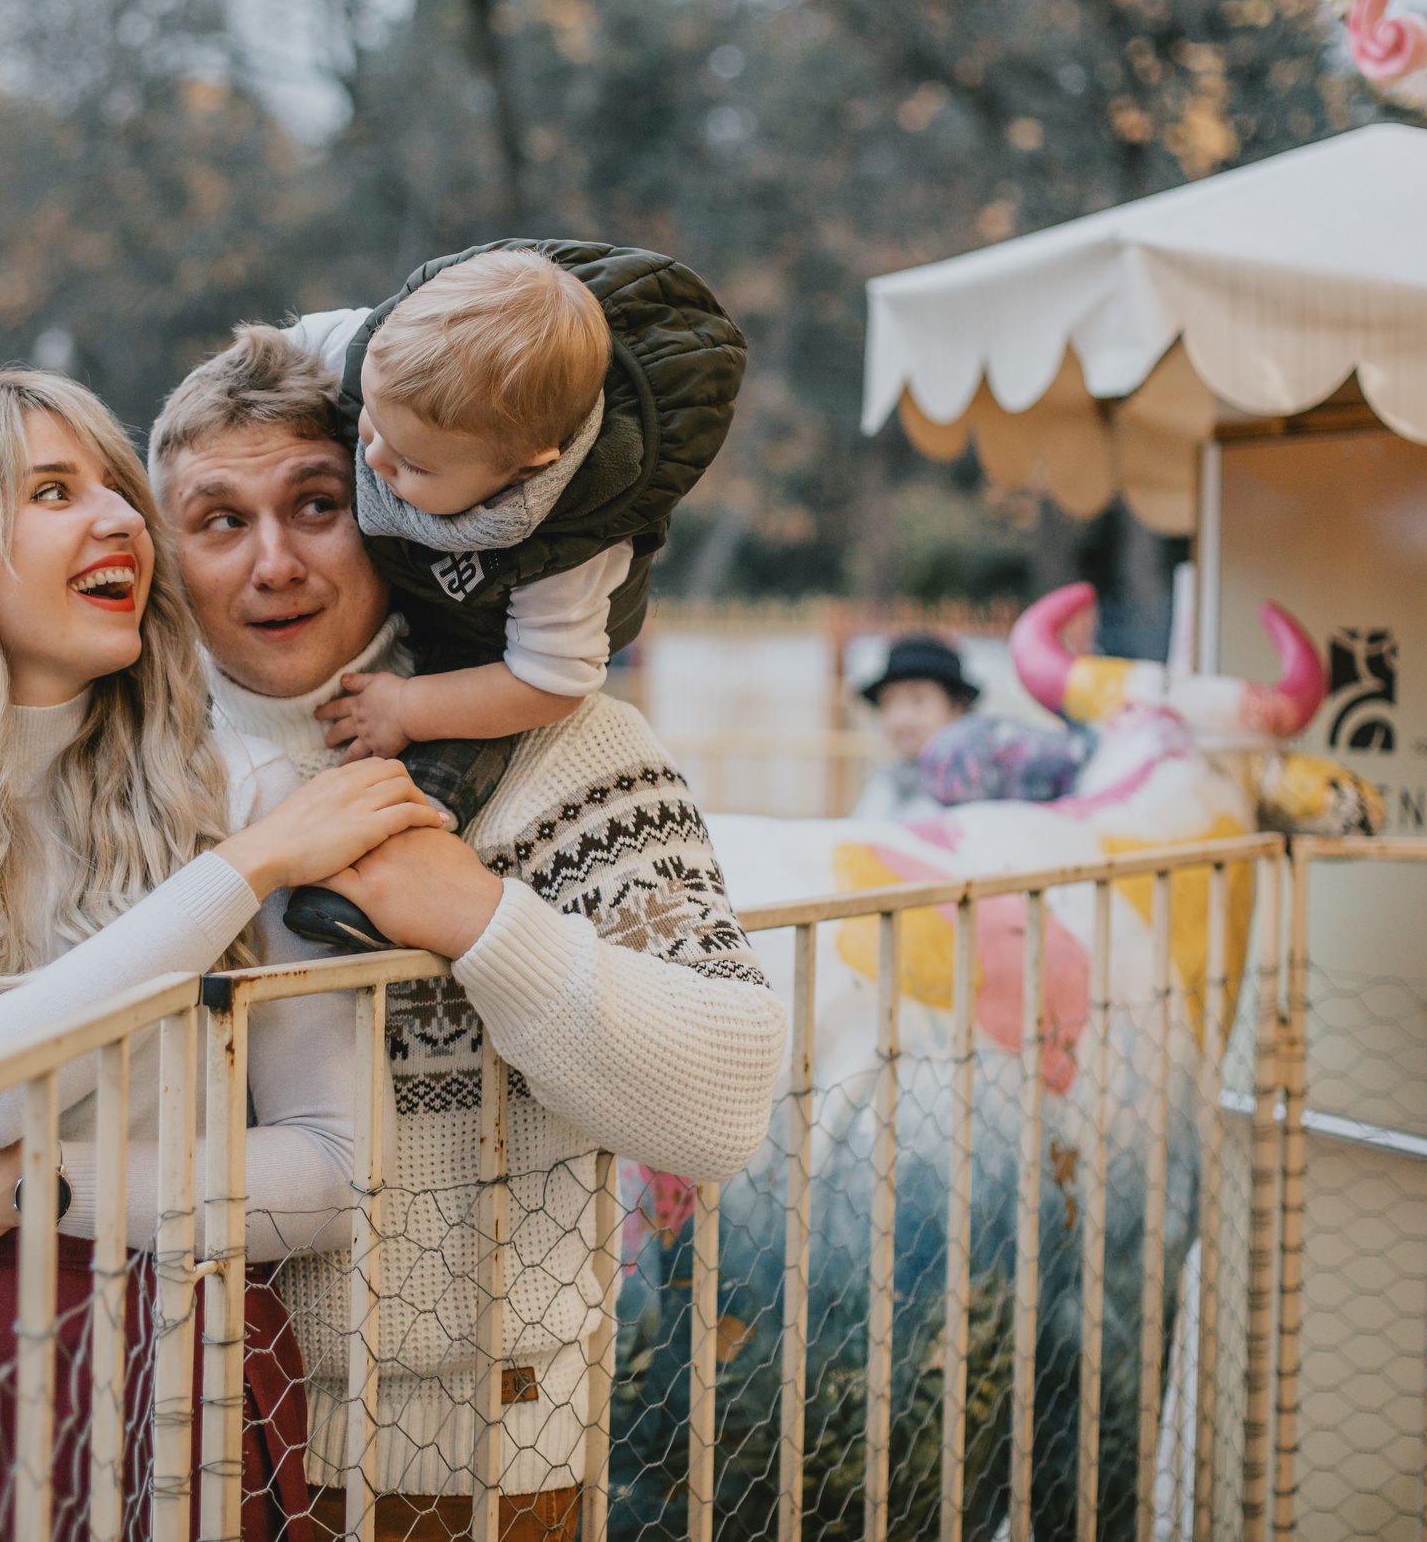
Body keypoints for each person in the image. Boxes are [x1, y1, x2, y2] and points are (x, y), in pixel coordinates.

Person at [0, 370, 454, 1542]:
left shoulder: (246, 787)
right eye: (54, 491)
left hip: (191, 1364)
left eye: (118, 488)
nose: (122, 517)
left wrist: (34, 1188)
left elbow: (337, 1175)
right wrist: (242, 871)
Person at [148, 325, 784, 1538]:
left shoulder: (563, 748)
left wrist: (479, 920)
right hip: (154, 1425)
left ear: (392, 509)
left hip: (467, 1460)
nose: (274, 563)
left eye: (316, 504)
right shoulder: (116, 773)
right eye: (219, 521)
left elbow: (725, 1101)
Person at [274, 241, 744, 952]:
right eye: (369, 418)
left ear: (524, 468)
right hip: (419, 576)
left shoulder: (569, 549)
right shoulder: (381, 356)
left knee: (460, 744)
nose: (372, 455)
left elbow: (550, 683)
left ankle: (380, 878)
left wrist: (410, 707)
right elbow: (278, 354)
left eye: (413, 464)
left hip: (493, 641)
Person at [850, 633, 978, 820]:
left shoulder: (978, 786)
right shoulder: (885, 784)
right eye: (890, 701)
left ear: (958, 707)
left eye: (918, 700)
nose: (902, 718)